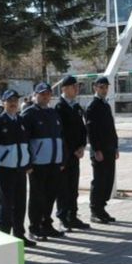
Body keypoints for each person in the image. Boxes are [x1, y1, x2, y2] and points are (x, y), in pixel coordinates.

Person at [0, 89, 36, 247]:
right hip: (4, 170)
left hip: (20, 169)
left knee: (20, 203)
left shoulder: (21, 121)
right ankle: (4, 238)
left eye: (15, 100)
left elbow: (26, 145)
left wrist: (28, 163)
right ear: (4, 103)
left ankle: (19, 234)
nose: (13, 103)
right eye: (9, 101)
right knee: (6, 204)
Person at [22, 82, 65, 240]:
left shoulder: (53, 113)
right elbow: (24, 140)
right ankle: (34, 227)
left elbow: (61, 137)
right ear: (35, 95)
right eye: (42, 94)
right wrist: (28, 163)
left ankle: (46, 223)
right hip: (38, 164)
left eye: (48, 93)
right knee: (37, 197)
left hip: (54, 162)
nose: (45, 96)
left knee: (50, 195)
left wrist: (62, 159)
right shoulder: (29, 114)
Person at [55, 75, 89, 230]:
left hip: (76, 154)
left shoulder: (76, 106)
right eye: (73, 86)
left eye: (77, 86)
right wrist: (69, 151)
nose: (77, 89)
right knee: (63, 188)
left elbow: (83, 129)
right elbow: (61, 134)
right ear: (64, 89)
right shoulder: (59, 107)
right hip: (64, 155)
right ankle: (63, 218)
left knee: (73, 188)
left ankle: (73, 216)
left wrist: (82, 146)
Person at [86, 76, 119, 223]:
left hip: (109, 149)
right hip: (99, 151)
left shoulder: (106, 105)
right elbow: (91, 130)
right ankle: (95, 210)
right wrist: (96, 149)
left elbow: (111, 128)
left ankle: (102, 208)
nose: (104, 90)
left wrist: (116, 146)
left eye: (106, 87)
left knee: (108, 181)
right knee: (99, 181)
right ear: (95, 87)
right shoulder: (92, 106)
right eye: (101, 87)